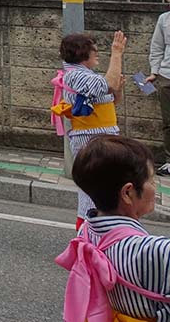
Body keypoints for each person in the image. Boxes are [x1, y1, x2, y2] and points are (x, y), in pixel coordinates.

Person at [57, 135, 170, 322]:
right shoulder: (156, 251)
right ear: (128, 193)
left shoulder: (85, 232)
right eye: (151, 180)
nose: (155, 187)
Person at [53, 30, 127, 226]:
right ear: (82, 53)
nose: (97, 53)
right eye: (94, 49)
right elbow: (108, 83)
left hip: (102, 137)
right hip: (89, 139)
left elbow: (111, 100)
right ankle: (86, 233)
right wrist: (116, 52)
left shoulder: (86, 75)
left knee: (103, 189)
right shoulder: (75, 75)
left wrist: (118, 89)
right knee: (92, 191)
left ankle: (98, 231)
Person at [146, 0, 170, 175]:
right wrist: (154, 71)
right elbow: (157, 47)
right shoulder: (164, 19)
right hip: (166, 76)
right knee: (168, 122)